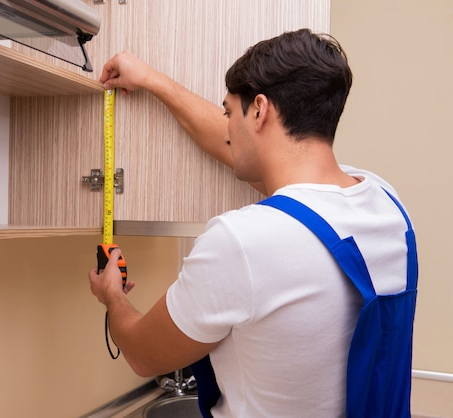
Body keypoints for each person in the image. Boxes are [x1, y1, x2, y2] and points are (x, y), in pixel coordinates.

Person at [88, 29, 417, 417]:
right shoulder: (387, 203)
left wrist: (112, 295)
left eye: (229, 112)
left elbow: (144, 354)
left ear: (259, 110)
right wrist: (150, 79)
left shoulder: (242, 241)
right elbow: (244, 149)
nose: (227, 127)